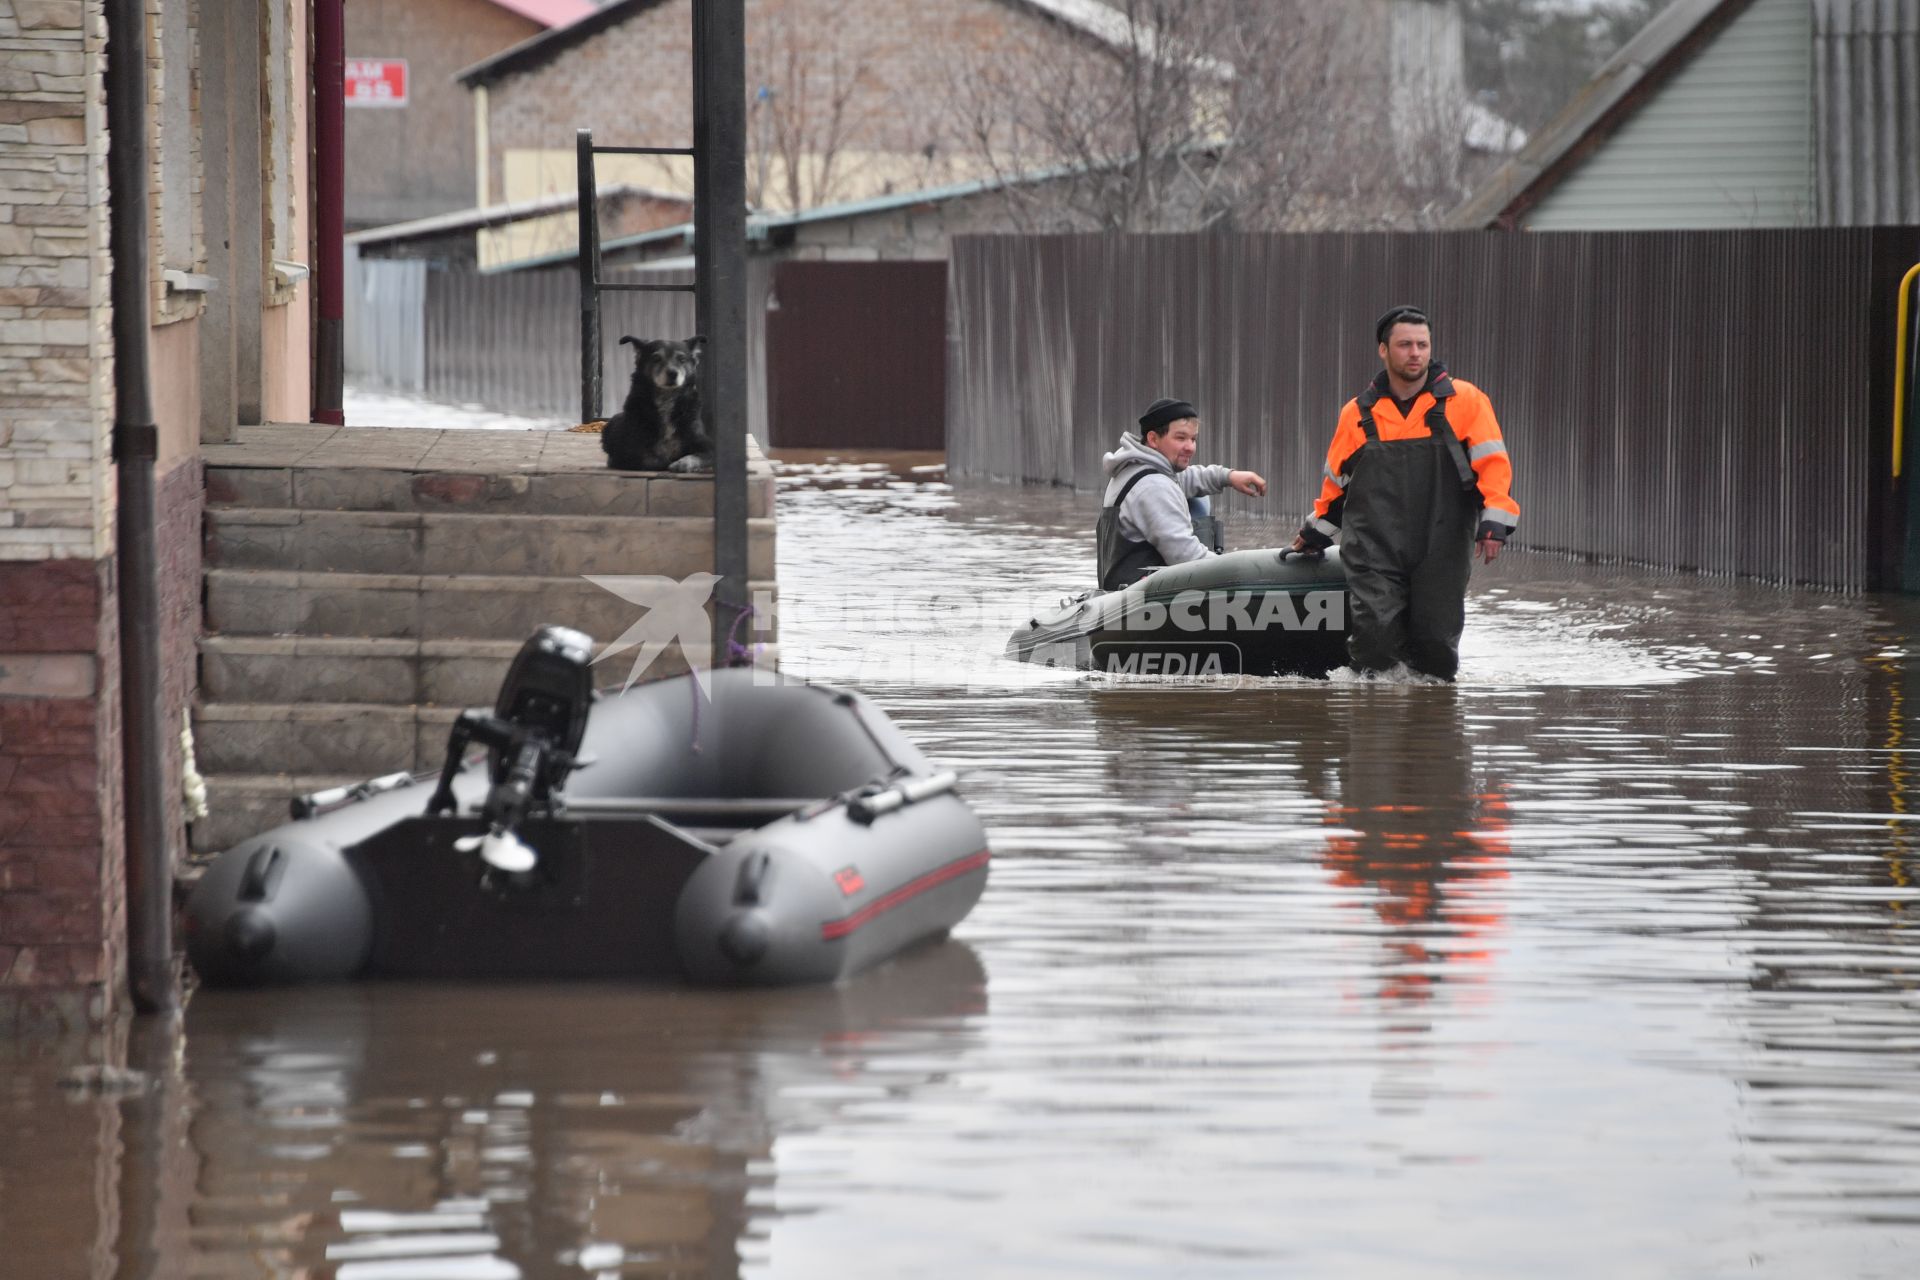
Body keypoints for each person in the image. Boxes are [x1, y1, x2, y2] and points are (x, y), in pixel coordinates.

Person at [1291, 306, 1519, 681]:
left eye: (1422, 345)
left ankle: (1429, 731)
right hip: (1373, 545)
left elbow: (1493, 465)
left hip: (1441, 543)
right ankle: (1372, 726)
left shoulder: (1465, 401)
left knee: (1435, 647)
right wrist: (1315, 531)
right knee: (1375, 642)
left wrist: (1495, 521)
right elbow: (1337, 486)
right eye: (1405, 345)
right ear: (1384, 350)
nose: (1415, 353)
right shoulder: (1357, 412)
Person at [1099, 398, 1267, 591]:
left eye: (1193, 439)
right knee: (1199, 505)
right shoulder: (1153, 487)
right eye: (1180, 438)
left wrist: (1229, 476)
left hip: (1117, 591)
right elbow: (1187, 557)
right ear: (1153, 439)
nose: (1190, 447)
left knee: (1199, 497)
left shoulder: (1134, 468)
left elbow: (1188, 478)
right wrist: (1244, 573)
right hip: (1144, 599)